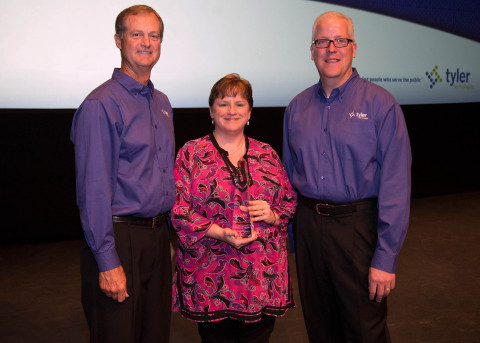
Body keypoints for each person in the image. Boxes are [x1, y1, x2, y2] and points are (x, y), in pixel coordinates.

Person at [283, 11, 412, 343]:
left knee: (364, 330)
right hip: (309, 230)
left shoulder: (381, 105)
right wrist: (292, 241)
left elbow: (396, 186)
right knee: (320, 328)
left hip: (358, 231)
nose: (331, 48)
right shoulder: (296, 108)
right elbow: (287, 178)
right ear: (312, 51)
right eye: (323, 41)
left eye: (340, 40)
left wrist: (386, 257)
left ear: (354, 48)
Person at [70, 5, 174, 342]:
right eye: (136, 34)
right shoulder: (102, 104)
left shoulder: (162, 102)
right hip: (119, 240)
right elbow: (94, 190)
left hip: (157, 239)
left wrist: (166, 239)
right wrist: (106, 259)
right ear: (118, 40)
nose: (146, 42)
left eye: (154, 35)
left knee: (154, 335)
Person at [171, 73, 297, 343]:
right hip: (210, 276)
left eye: (239, 104)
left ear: (249, 112)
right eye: (223, 103)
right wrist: (217, 231)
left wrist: (272, 214)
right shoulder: (191, 153)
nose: (231, 111)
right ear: (211, 111)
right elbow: (178, 209)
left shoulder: (268, 153)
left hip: (263, 277)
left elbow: (289, 202)